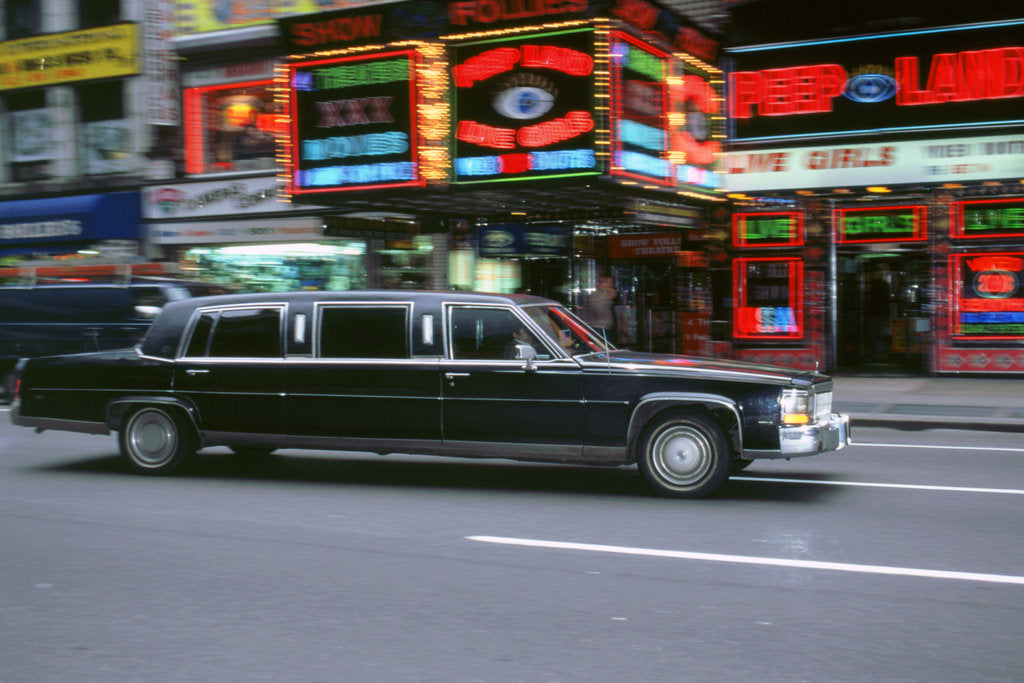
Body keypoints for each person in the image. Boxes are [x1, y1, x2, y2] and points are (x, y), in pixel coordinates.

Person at [584, 275, 617, 343]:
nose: (610, 285)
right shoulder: (598, 295)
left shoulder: (602, 294)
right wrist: (611, 292)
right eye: (607, 283)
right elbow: (611, 295)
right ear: (600, 284)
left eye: (611, 283)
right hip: (600, 328)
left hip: (604, 327)